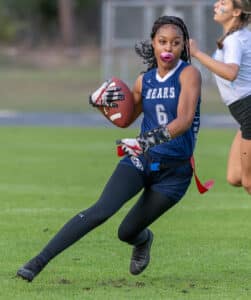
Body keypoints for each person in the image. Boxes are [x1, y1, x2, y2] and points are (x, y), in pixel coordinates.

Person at [16, 15, 202, 282]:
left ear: (183, 46)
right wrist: (103, 105)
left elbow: (183, 121)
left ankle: (143, 239)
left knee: (127, 232)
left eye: (175, 42)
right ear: (152, 43)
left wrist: (145, 140)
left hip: (175, 173)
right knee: (101, 210)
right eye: (162, 41)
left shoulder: (189, 74)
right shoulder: (144, 81)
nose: (168, 48)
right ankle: (36, 263)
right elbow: (126, 120)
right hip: (141, 159)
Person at [189, 0, 251, 194]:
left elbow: (231, 72)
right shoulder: (237, 36)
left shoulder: (234, 40)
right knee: (235, 176)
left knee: (249, 181)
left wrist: (197, 53)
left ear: (237, 12)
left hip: (248, 110)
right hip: (243, 114)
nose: (216, 5)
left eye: (223, 2)